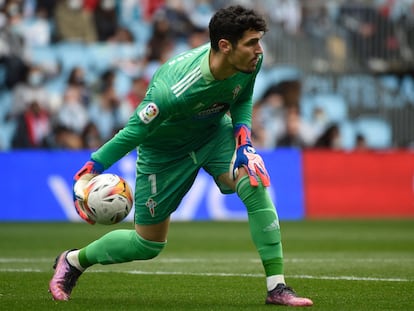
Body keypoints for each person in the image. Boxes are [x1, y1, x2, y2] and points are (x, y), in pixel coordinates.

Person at [48, 5, 313, 307]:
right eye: (252, 42)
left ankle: (276, 287)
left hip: (213, 136)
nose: (259, 49)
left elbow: (242, 95)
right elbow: (134, 131)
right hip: (164, 155)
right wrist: (91, 167)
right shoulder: (173, 89)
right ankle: (73, 261)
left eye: (259, 41)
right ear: (225, 46)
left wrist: (243, 139)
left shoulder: (252, 61)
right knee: (147, 244)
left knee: (254, 179)